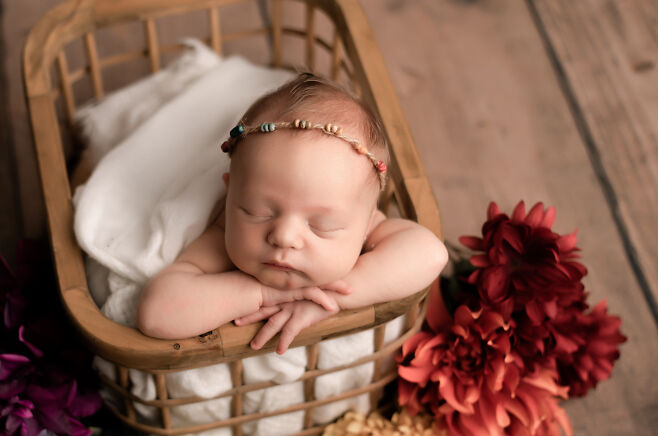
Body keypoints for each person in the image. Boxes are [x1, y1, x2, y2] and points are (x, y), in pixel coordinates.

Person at [137, 73, 447, 354]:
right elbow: (157, 313)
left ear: (366, 220)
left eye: (321, 225)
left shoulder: (364, 224)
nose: (284, 237)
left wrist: (332, 298)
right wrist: (260, 293)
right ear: (231, 194)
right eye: (257, 211)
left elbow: (430, 253)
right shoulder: (224, 233)